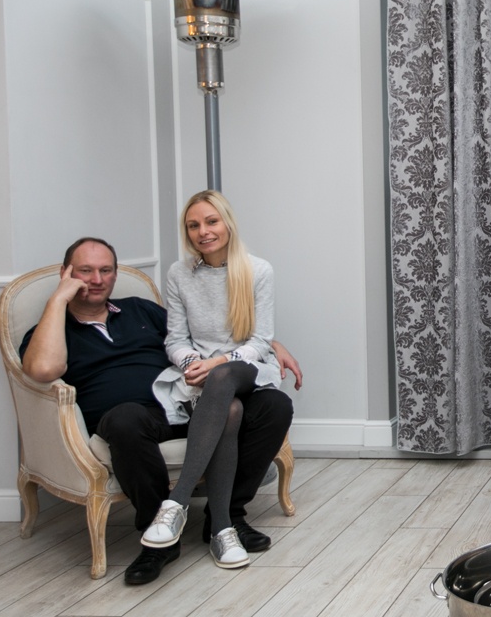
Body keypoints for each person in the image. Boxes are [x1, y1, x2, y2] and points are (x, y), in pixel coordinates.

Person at [18, 236, 300, 585]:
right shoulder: (50, 330)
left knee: (274, 405)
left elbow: (204, 336)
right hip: (134, 421)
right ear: (66, 273)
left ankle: (226, 518)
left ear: (115, 274)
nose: (97, 279)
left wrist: (269, 343)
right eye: (85, 271)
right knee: (124, 418)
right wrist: (59, 299)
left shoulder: (140, 310)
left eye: (106, 270)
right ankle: (159, 539)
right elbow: (43, 369)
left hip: (185, 403)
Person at [138, 190, 287, 571]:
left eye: (211, 221)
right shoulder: (179, 273)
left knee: (225, 378)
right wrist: (193, 363)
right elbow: (175, 340)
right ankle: (222, 528)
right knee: (230, 410)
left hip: (246, 367)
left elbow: (260, 341)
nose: (203, 231)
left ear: (227, 223)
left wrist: (217, 362)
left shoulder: (258, 270)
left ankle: (177, 502)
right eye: (193, 225)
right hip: (202, 375)